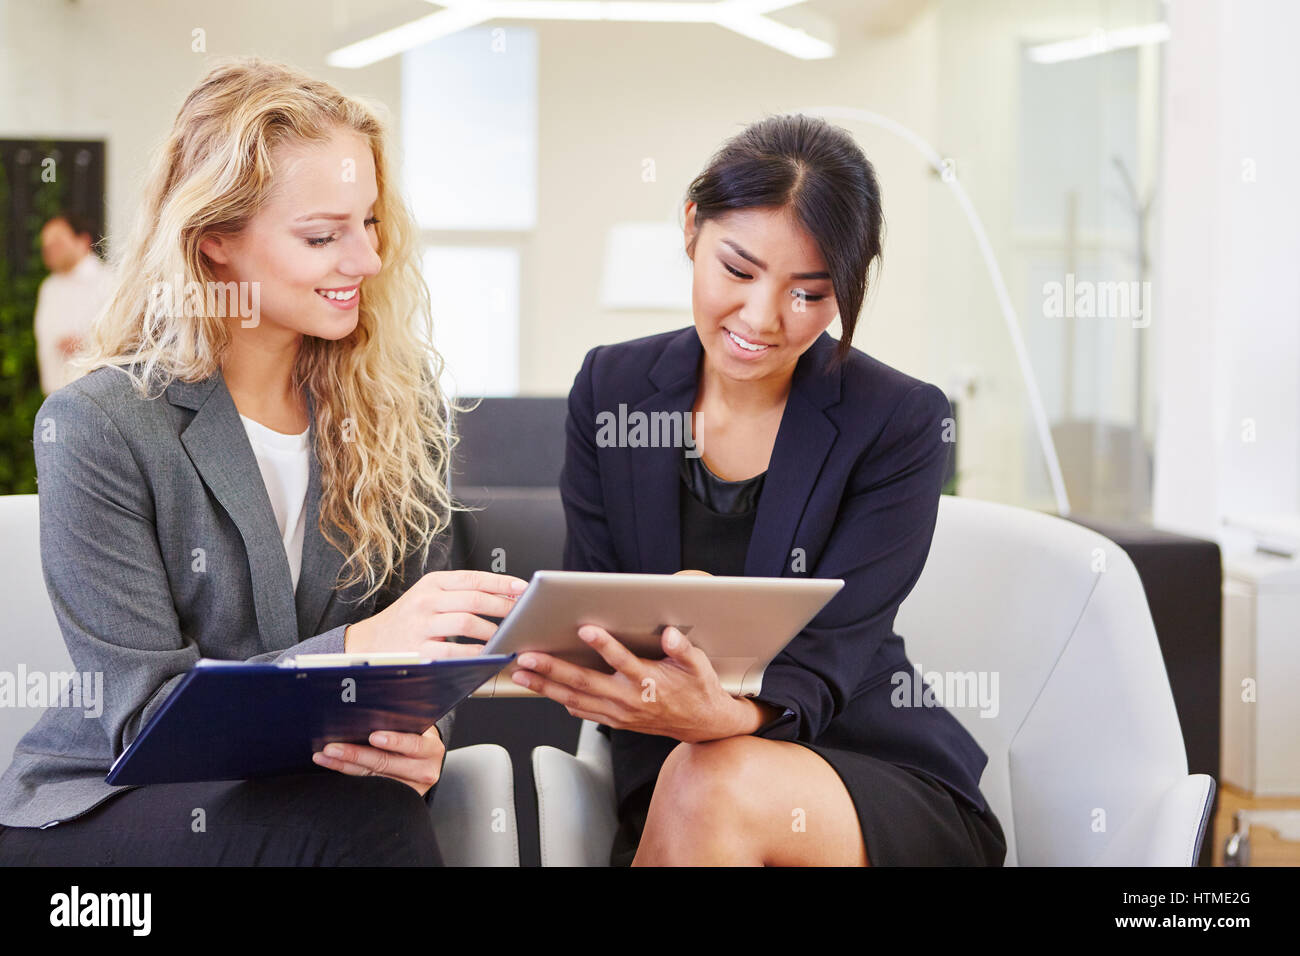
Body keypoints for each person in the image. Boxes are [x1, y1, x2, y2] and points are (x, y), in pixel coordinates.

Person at [0, 57, 523, 866]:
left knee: (366, 813)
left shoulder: (396, 405)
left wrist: (418, 738)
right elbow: (146, 720)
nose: (367, 261)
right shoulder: (100, 425)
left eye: (370, 223)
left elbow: (423, 653)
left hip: (310, 791)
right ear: (214, 244)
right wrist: (358, 647)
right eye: (322, 236)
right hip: (110, 801)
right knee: (357, 827)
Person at [514, 113, 1007, 866]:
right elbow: (596, 605)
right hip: (673, 766)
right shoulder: (611, 387)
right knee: (702, 779)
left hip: (860, 771)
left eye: (809, 294)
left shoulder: (899, 419)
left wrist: (730, 713)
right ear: (690, 228)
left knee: (714, 782)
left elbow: (836, 647)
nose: (762, 318)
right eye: (738, 271)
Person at [33, 211, 112, 395]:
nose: (49, 249)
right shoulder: (49, 287)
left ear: (83, 241)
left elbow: (124, 340)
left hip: (95, 398)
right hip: (54, 396)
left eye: (57, 242)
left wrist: (86, 344)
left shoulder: (109, 282)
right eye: (46, 244)